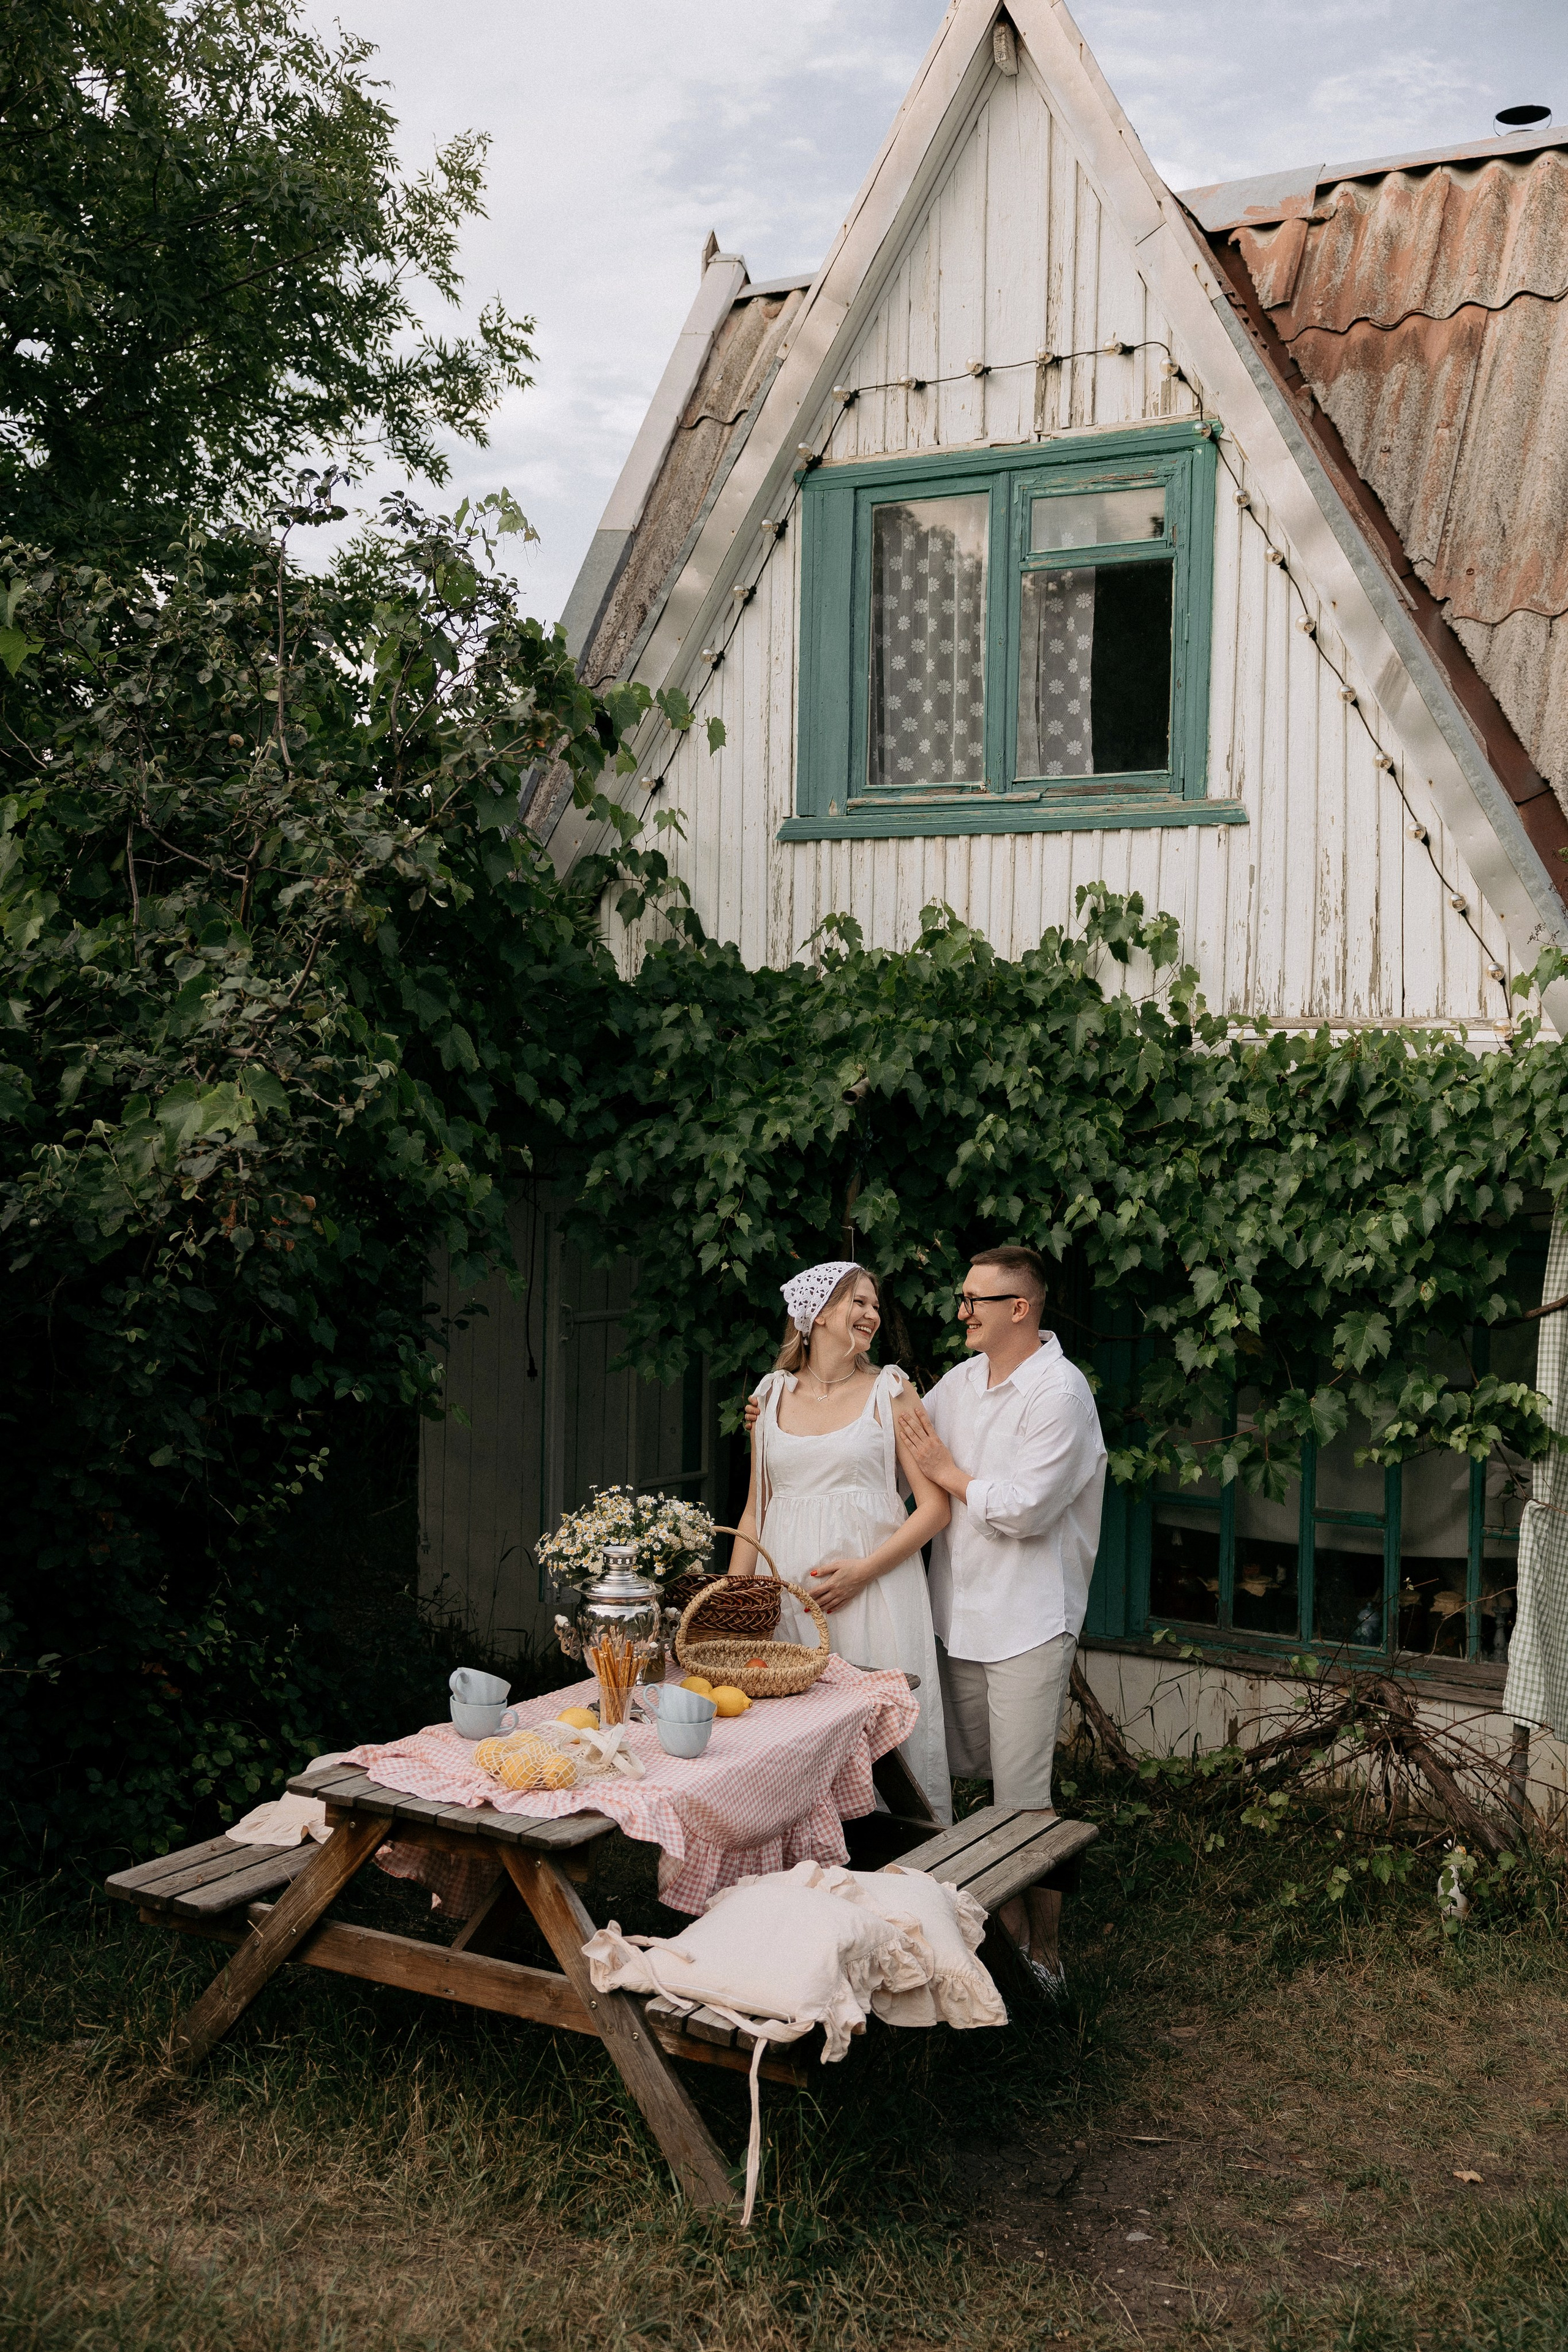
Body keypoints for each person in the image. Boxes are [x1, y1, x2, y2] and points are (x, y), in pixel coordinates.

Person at [893, 1244, 1106, 1991]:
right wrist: (780, 1407)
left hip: (1028, 1621)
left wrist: (948, 1473)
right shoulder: (960, 1382)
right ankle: (997, 1940)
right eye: (962, 1297)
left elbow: (1025, 1510)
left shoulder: (1060, 1393)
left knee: (1023, 1803)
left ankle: (1045, 1961)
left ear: (1019, 1308)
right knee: (968, 1787)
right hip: (956, 1615)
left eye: (973, 1300)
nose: (961, 1312)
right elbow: (895, 1444)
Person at [731, 1259, 952, 1822]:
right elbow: (756, 1510)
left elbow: (934, 1509)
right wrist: (733, 1604)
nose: (873, 1314)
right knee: (794, 1735)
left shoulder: (890, 1391)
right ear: (820, 1313)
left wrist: (863, 1571)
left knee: (881, 1738)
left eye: (876, 1305)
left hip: (874, 1593)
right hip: (789, 1598)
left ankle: (903, 1856)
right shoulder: (770, 1395)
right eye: (860, 1302)